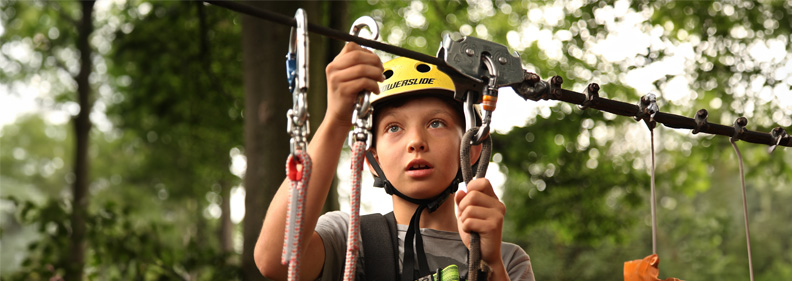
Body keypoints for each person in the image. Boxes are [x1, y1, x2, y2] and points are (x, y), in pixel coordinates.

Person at [254, 42, 535, 281]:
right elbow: (276, 260)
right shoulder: (350, 240)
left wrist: (491, 265)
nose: (416, 141)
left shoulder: (508, 260)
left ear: (471, 149)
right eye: (394, 128)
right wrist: (336, 119)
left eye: (436, 123)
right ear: (371, 159)